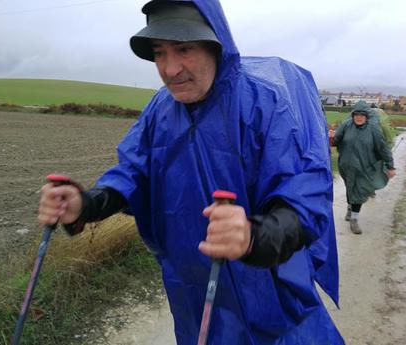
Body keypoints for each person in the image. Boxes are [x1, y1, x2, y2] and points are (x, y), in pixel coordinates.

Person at [38, 1, 344, 344]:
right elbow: (134, 172)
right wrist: (86, 203)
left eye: (183, 49)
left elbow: (304, 193)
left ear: (216, 46)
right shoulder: (160, 110)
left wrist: (253, 235)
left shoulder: (265, 103)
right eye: (159, 53)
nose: (170, 69)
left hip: (269, 289)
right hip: (193, 291)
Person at [329, 101, 396, 234]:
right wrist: (331, 137)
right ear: (353, 115)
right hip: (346, 166)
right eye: (356, 114)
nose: (359, 117)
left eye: (362, 115)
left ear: (367, 116)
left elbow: (383, 149)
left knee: (359, 191)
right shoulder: (346, 126)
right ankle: (350, 206)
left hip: (364, 167)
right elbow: (336, 141)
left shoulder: (373, 130)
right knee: (350, 188)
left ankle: (354, 219)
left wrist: (390, 166)